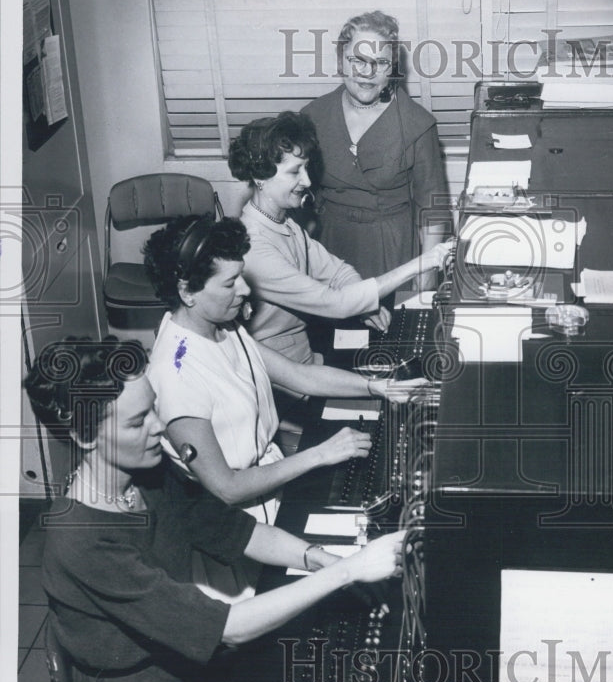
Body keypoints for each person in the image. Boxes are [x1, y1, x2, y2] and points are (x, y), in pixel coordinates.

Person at [24, 336, 405, 682]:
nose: (161, 426)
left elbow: (236, 530)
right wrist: (348, 573)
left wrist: (322, 558)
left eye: (154, 408)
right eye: (139, 420)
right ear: (85, 436)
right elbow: (228, 629)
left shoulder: (145, 472)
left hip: (190, 675)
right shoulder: (83, 541)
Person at [143, 214, 426, 530]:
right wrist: (320, 455)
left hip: (272, 485)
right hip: (234, 525)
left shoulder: (219, 326)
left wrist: (381, 387)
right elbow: (227, 488)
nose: (245, 289)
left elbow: (299, 375)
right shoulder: (176, 376)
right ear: (187, 292)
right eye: (229, 282)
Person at [229, 110, 452, 365]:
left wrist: (366, 307)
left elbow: (338, 273)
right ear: (260, 177)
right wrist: (424, 261)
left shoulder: (285, 223)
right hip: (279, 373)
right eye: (295, 172)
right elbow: (333, 303)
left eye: (307, 169)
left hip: (308, 355)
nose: (308, 180)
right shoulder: (253, 244)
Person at [301, 10, 449, 279]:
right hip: (328, 248)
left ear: (392, 68)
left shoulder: (418, 124)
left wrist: (425, 277)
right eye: (357, 60)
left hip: (392, 251)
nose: (367, 73)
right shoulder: (313, 116)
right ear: (340, 61)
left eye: (380, 62)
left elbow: (433, 212)